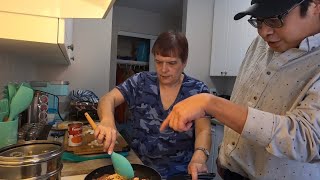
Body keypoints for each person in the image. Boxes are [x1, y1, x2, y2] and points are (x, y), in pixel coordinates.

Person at [160, 0, 320, 179]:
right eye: (258, 21)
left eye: (275, 19)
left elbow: (307, 140)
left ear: (315, 5)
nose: (264, 32)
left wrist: (211, 103)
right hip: (228, 171)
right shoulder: (260, 43)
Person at [95, 31, 212, 179]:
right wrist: (107, 121)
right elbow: (108, 98)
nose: (163, 69)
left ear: (184, 62)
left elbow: (204, 131)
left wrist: (199, 157)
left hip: (181, 172)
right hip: (139, 170)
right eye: (158, 62)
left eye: (171, 63)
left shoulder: (198, 90)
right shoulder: (140, 81)